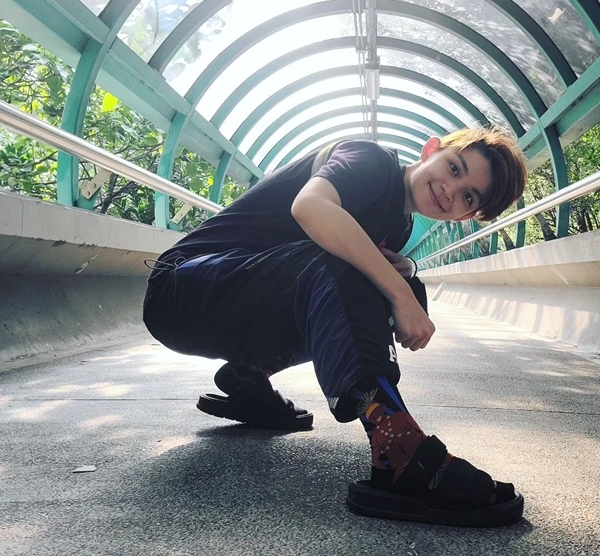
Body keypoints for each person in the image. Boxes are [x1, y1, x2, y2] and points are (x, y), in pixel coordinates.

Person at [142, 127, 528, 527]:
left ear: (466, 216)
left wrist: (405, 275)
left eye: (468, 197)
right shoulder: (372, 161)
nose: (450, 190)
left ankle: (249, 375)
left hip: (229, 305)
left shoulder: (397, 227)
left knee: (381, 278)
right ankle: (401, 450)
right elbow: (311, 207)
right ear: (431, 150)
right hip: (181, 290)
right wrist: (399, 292)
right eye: (454, 168)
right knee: (353, 270)